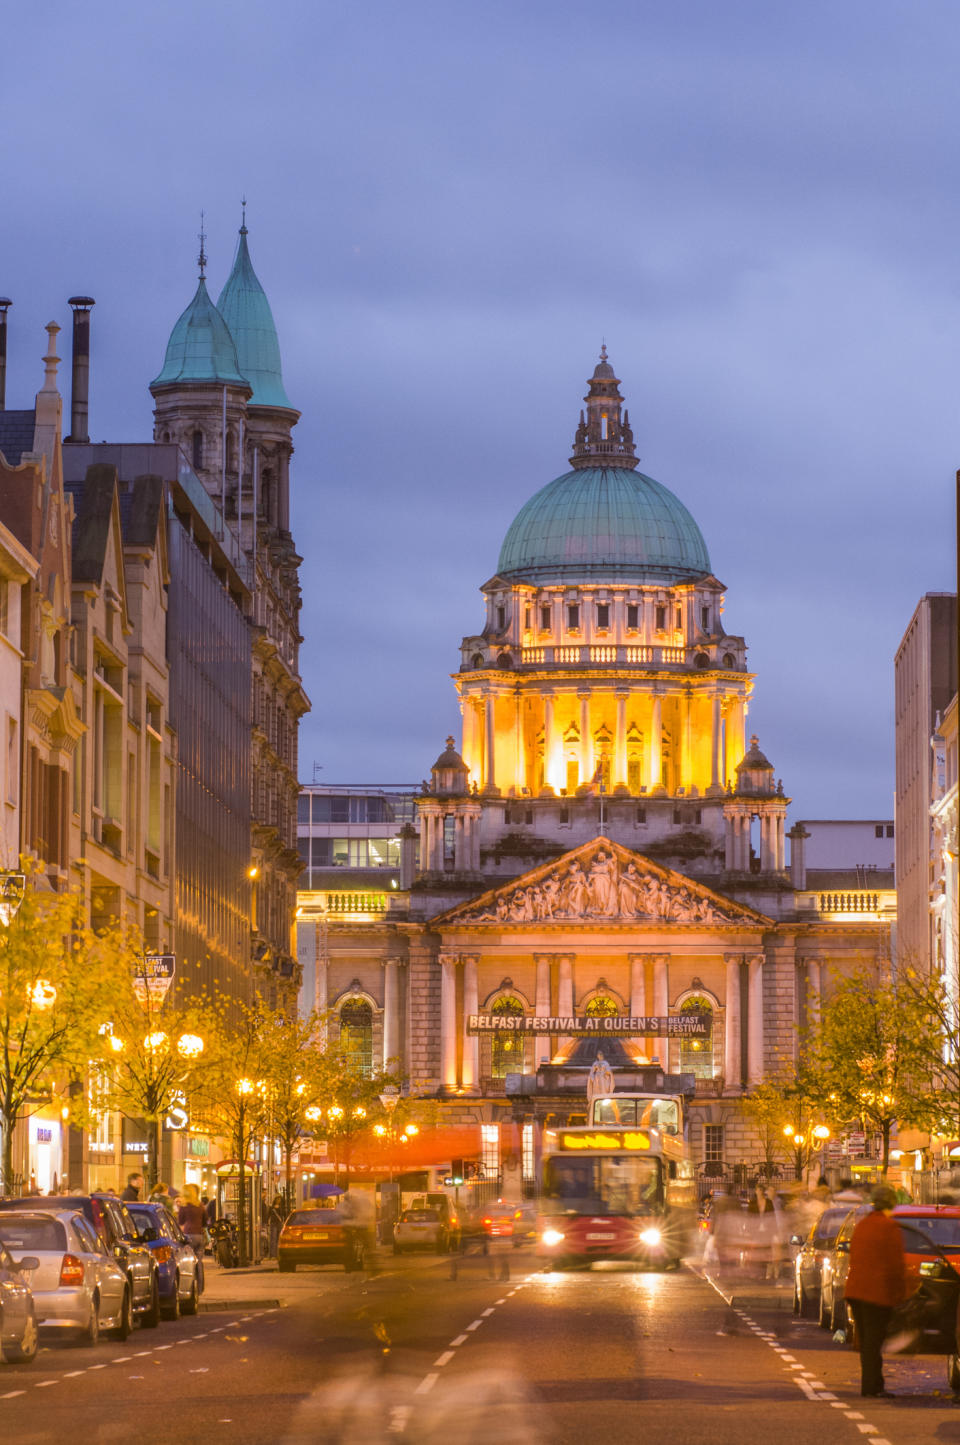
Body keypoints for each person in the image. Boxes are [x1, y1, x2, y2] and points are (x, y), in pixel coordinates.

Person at [844, 1182, 908, 1398]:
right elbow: (895, 1265)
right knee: (874, 1341)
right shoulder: (890, 1228)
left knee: (867, 1341)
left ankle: (871, 1385)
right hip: (876, 1292)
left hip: (855, 1290)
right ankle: (872, 1387)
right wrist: (900, 1295)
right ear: (891, 1204)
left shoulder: (863, 1225)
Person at [177, 1183, 206, 1252]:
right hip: (199, 1235)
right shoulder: (200, 1205)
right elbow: (205, 1221)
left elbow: (180, 1221)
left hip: (188, 1234)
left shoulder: (184, 1206)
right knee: (199, 1259)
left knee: (189, 1260)